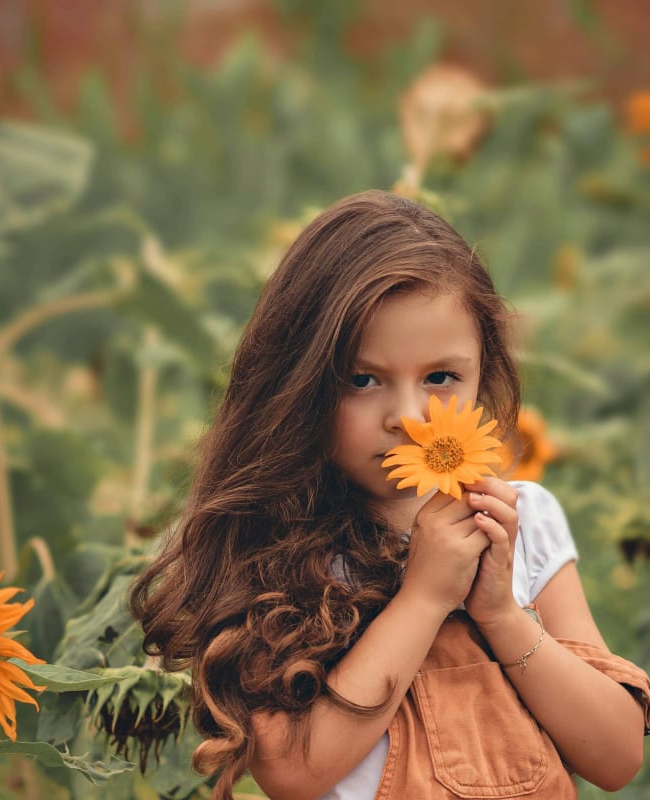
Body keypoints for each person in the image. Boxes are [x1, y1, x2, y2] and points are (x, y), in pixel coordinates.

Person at [130, 190, 649, 799]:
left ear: (485, 371)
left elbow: (616, 759)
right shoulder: (272, 543)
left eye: (441, 377)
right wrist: (424, 598)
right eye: (362, 379)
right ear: (297, 384)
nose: (408, 415)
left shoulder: (521, 520)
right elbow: (292, 773)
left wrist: (502, 616)